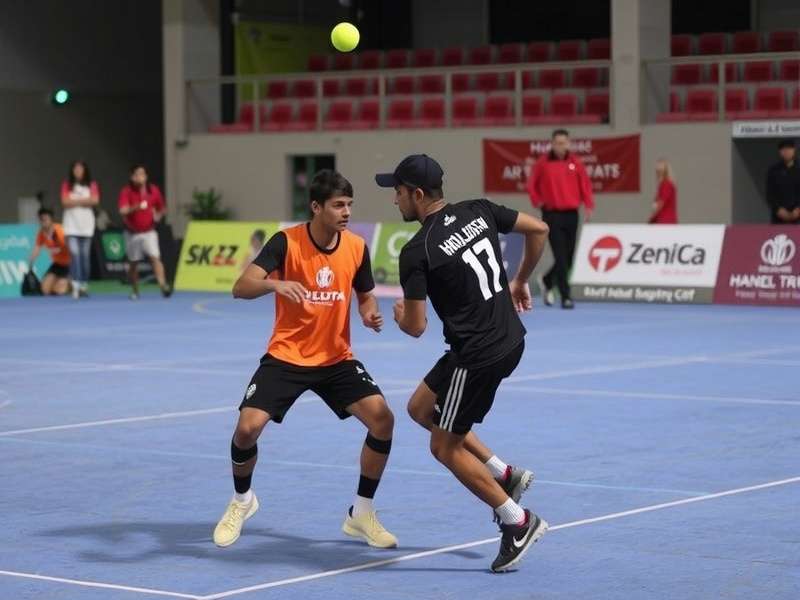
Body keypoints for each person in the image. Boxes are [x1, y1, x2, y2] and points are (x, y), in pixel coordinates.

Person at [376, 154, 550, 573]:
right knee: (420, 408)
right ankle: (503, 472)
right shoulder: (479, 209)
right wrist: (522, 279)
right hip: (507, 337)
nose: (394, 200)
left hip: (478, 354)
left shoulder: (417, 251)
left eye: (397, 192)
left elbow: (416, 327)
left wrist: (400, 317)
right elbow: (539, 229)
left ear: (417, 195)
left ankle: (518, 520)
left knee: (442, 446)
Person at [213, 170, 398, 550]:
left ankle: (361, 513)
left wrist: (368, 312)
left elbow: (365, 294)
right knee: (247, 429)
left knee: (383, 420)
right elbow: (240, 287)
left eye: (349, 205)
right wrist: (274, 283)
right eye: (338, 205)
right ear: (316, 207)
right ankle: (242, 501)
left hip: (335, 358)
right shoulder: (286, 242)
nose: (346, 212)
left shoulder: (356, 247)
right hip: (287, 355)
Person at [527, 129, 594, 309]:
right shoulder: (543, 163)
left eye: (564, 142)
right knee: (561, 256)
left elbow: (585, 185)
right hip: (552, 214)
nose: (561, 146)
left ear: (569, 143)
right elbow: (532, 184)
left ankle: (548, 280)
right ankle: (565, 296)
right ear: (552, 143)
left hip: (572, 214)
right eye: (557, 143)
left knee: (569, 257)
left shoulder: (575, 163)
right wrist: (537, 201)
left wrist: (588, 205)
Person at [118, 164, 172, 299]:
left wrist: (158, 215)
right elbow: (122, 211)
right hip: (132, 233)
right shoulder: (126, 191)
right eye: (137, 174)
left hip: (149, 231)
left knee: (155, 257)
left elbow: (162, 208)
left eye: (142, 174)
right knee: (133, 263)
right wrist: (136, 207)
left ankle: (163, 285)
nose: (140, 177)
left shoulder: (153, 190)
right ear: (132, 177)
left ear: (146, 176)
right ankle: (135, 291)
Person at [61, 160, 99, 299]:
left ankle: (84, 284)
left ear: (85, 171)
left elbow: (94, 200)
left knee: (84, 257)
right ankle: (75, 285)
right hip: (71, 226)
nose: (77, 171)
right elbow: (65, 202)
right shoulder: (67, 185)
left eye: (80, 169)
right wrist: (84, 201)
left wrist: (75, 202)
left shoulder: (92, 185)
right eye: (75, 169)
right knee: (75, 255)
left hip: (86, 226)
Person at [28, 208, 71, 296]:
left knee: (60, 291)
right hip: (57, 264)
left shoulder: (60, 231)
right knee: (45, 290)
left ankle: (72, 283)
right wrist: (30, 264)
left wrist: (60, 249)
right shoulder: (41, 233)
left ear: (51, 220)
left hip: (69, 264)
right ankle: (62, 282)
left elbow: (71, 247)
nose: (43, 222)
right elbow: (37, 248)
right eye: (41, 220)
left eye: (45, 219)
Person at [766, 139, 800, 225]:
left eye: (789, 149)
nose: (787, 152)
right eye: (784, 150)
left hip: (797, 216)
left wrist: (798, 209)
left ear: (794, 150)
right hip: (778, 217)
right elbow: (769, 194)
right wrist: (778, 209)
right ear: (780, 152)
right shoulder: (773, 171)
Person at [648, 159, 678, 224]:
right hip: (665, 221)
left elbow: (660, 203)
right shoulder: (665, 185)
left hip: (665, 222)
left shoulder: (666, 185)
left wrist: (651, 219)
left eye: (658, 171)